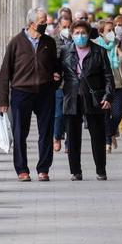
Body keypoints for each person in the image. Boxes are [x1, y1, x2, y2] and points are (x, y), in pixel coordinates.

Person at [0, 8, 63, 182]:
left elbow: (56, 67)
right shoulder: (16, 43)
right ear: (31, 23)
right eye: (42, 22)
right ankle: (22, 170)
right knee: (20, 132)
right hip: (21, 93)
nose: (45, 25)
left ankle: (43, 169)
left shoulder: (49, 42)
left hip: (45, 92)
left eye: (46, 22)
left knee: (46, 132)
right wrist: (3, 99)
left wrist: (56, 81)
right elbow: (5, 73)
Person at [60, 20, 114, 181]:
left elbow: (108, 77)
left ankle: (101, 170)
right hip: (72, 96)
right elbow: (57, 73)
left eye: (83, 33)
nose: (80, 36)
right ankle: (75, 171)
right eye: (76, 33)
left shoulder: (99, 51)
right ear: (71, 34)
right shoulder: (64, 51)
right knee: (73, 136)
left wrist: (108, 96)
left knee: (97, 135)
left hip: (93, 97)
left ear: (89, 33)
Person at [94, 20, 122, 153]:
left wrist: (121, 53)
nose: (111, 32)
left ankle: (111, 133)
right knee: (106, 115)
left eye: (112, 29)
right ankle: (107, 142)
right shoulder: (95, 45)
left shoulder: (119, 44)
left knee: (117, 114)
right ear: (101, 33)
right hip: (102, 85)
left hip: (117, 84)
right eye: (108, 30)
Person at [51, 14, 74, 153]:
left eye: (68, 27)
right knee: (58, 113)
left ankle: (69, 142)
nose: (66, 29)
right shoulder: (53, 41)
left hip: (72, 84)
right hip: (58, 84)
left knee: (70, 114)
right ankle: (57, 137)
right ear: (59, 26)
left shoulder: (76, 41)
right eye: (64, 27)